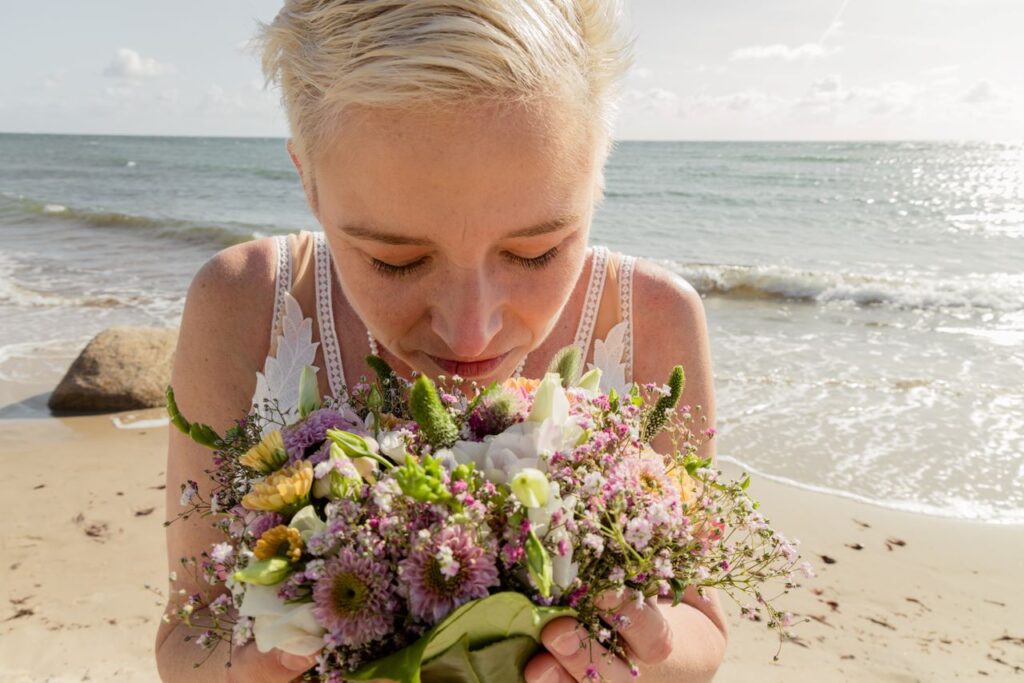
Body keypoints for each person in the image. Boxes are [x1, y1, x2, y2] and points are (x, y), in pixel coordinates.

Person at [154, 1, 727, 681]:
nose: (471, 331)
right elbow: (191, 627)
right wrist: (246, 669)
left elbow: (701, 621)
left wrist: (650, 652)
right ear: (308, 178)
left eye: (536, 251)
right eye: (395, 260)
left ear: (597, 173)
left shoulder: (655, 320)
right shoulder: (244, 303)